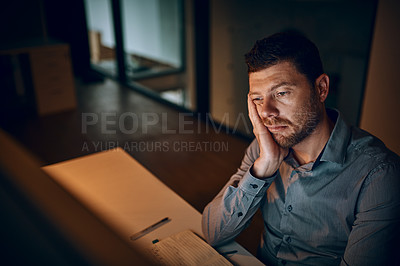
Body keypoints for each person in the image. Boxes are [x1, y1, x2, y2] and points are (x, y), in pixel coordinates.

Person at [201, 32, 400, 265]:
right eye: (257, 98)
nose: (266, 112)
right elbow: (213, 231)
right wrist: (263, 167)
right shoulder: (263, 149)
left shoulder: (380, 174)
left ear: (321, 89)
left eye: (281, 93)